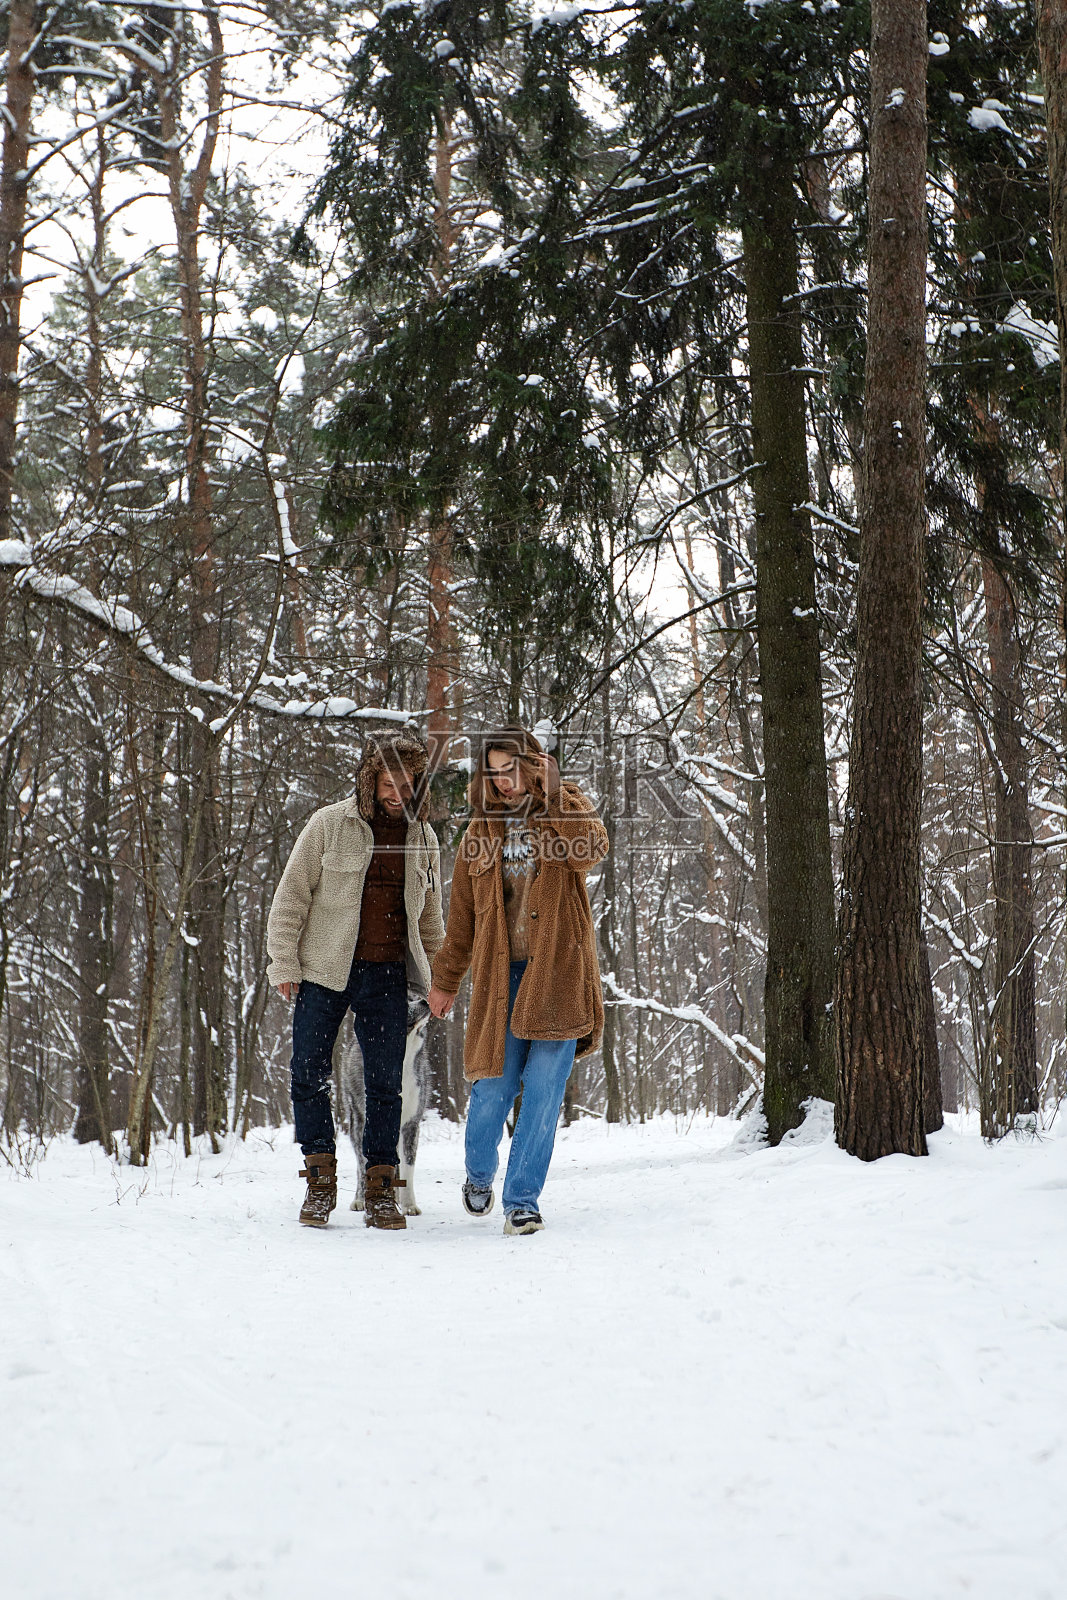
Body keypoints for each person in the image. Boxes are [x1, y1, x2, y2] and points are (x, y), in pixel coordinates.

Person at [427, 725, 608, 1235]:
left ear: (533, 765)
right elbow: (462, 920)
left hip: (558, 975)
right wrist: (445, 980)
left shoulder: (566, 806)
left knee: (545, 1092)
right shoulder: (479, 834)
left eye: (511, 769)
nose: (504, 781)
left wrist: (554, 795)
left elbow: (592, 849)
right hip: (499, 979)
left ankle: (522, 1201)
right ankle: (478, 1173)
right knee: (494, 1088)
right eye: (494, 773)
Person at [266, 728, 443, 1230]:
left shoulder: (423, 838)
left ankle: (381, 1188)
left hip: (387, 975)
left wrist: (438, 980)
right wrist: (284, 964)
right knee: (308, 1073)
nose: (398, 794)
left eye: (407, 784)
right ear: (369, 779)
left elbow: (431, 918)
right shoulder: (328, 825)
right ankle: (320, 1182)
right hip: (323, 971)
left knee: (384, 1083)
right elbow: (290, 897)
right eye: (388, 783)